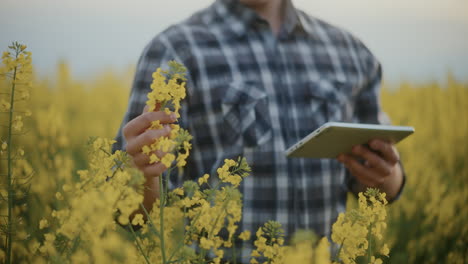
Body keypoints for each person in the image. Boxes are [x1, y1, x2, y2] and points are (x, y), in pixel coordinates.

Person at [113, 0, 405, 260]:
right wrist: (140, 173)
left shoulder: (350, 53)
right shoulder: (176, 51)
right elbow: (130, 211)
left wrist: (386, 173)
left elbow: (386, 185)